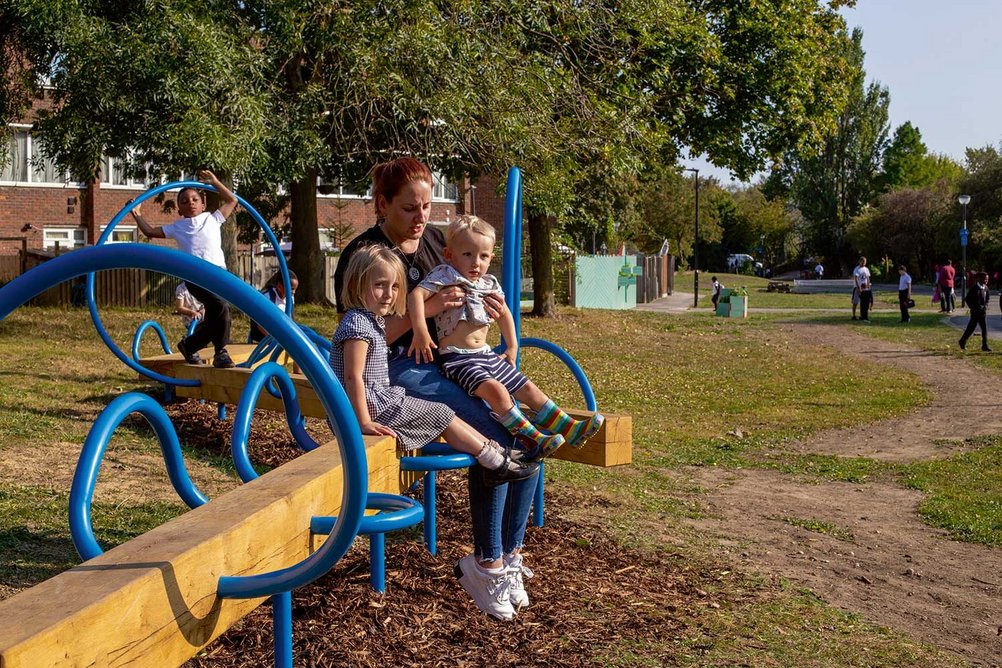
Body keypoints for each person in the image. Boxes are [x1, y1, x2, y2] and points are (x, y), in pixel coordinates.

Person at [333, 157, 541, 621]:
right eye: (410, 208)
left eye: (427, 205)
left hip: (457, 358)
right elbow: (363, 340)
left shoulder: (438, 244)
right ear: (381, 205)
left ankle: (507, 554)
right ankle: (485, 563)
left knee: (531, 428)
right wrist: (422, 316)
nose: (422, 216)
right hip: (400, 366)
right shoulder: (364, 256)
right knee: (496, 426)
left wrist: (489, 309)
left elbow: (473, 285)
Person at [331, 244, 537, 483]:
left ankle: (496, 452)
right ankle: (494, 460)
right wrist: (363, 421)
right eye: (379, 285)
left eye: (395, 286)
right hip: (369, 407)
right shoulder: (357, 323)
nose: (389, 294)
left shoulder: (371, 321)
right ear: (357, 284)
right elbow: (352, 377)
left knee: (445, 412)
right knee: (441, 414)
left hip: (380, 399)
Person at [407, 216, 604, 461]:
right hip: (458, 360)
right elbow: (415, 296)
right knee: (497, 391)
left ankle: (569, 428)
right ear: (449, 254)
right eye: (467, 254)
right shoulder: (445, 275)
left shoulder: (489, 283)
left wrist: (512, 345)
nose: (476, 263)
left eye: (484, 256)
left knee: (528, 388)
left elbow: (504, 314)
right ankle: (533, 439)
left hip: (487, 354)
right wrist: (421, 331)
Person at [131, 169, 238, 368]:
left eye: (194, 199)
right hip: (196, 277)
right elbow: (149, 231)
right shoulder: (177, 226)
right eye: (184, 201)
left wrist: (215, 182)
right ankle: (221, 353)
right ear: (179, 208)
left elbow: (232, 200)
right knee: (221, 308)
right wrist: (137, 214)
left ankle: (189, 345)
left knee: (219, 315)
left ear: (203, 203)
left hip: (219, 275)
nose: (190, 203)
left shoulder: (213, 218)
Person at [249, 270, 300, 343]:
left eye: (295, 289)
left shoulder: (290, 298)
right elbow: (260, 326)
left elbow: (291, 320)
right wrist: (276, 341)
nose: (294, 292)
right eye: (291, 289)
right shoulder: (267, 298)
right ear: (279, 286)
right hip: (263, 339)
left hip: (281, 336)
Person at [959, 271, 992, 352]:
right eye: (984, 279)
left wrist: (986, 306)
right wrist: (973, 308)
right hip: (975, 312)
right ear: (979, 279)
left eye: (987, 279)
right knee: (971, 328)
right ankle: (962, 341)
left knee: (984, 329)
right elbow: (967, 299)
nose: (986, 280)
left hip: (982, 312)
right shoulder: (974, 288)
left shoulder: (986, 288)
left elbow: (987, 298)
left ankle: (985, 345)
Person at [853, 256, 872, 322]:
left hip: (865, 289)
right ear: (860, 261)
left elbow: (868, 278)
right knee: (855, 302)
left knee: (864, 302)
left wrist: (868, 286)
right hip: (858, 287)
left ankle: (862, 315)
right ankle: (853, 315)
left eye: (865, 262)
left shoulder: (866, 269)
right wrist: (858, 287)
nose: (864, 263)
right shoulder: (857, 269)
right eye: (862, 261)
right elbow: (856, 278)